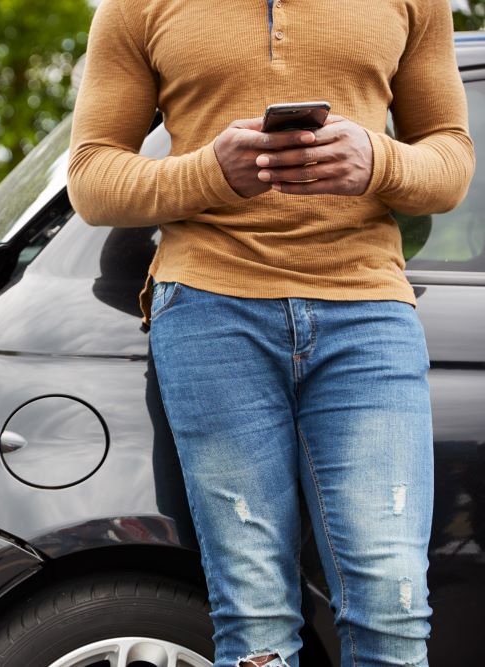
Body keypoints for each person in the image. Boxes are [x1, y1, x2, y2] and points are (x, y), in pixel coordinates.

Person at [66, 1, 475, 666]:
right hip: (209, 313)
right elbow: (90, 178)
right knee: (253, 619)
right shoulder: (137, 6)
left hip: (367, 312)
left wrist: (377, 161)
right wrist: (210, 171)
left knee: (392, 610)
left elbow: (452, 159)